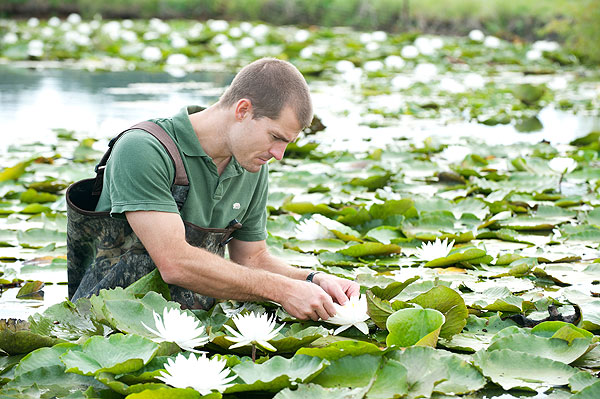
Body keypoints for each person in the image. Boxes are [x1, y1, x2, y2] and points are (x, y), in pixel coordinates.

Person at [66, 57, 360, 321]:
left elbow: (252, 258)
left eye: (286, 143)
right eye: (275, 137)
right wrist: (283, 290)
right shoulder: (144, 148)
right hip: (104, 329)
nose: (279, 154)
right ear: (243, 110)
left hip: (195, 328)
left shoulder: (252, 164)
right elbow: (175, 262)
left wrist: (311, 280)